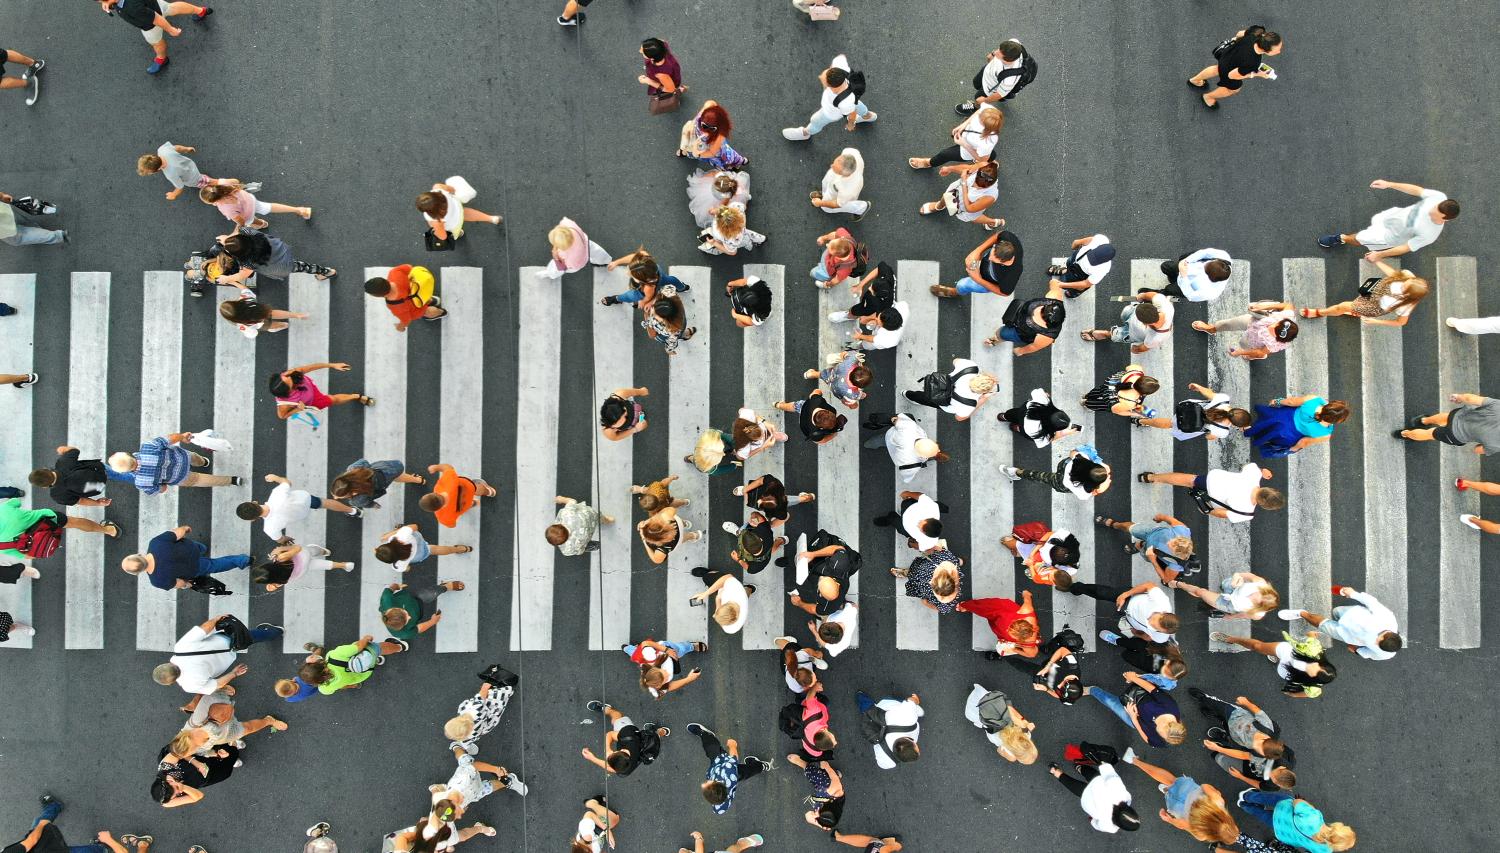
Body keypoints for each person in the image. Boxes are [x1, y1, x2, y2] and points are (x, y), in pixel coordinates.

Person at [1188, 688, 1297, 793]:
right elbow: (1245, 753)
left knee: (1226, 741)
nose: (1270, 778)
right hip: (1238, 719)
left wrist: (1240, 776)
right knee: (1219, 708)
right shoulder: (1266, 751)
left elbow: (1244, 754)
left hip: (1240, 739)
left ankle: (1223, 730)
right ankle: (1205, 699)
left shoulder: (1260, 757)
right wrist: (1246, 703)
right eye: (1273, 778)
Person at [1319, 179, 1458, 260]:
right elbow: (1417, 190)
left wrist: (1380, 254)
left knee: (1359, 239)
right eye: (1434, 207)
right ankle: (1348, 238)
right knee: (1374, 222)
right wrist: (1389, 184)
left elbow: (1406, 247)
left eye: (1435, 212)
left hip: (1388, 237)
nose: (1431, 210)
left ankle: (1341, 238)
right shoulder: (1439, 198)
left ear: (1445, 219)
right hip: (1392, 216)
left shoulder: (1430, 234)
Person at [1120, 752, 1239, 844]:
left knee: (1171, 780)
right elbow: (1181, 824)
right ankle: (1167, 791)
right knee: (1169, 794)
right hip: (1177, 808)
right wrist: (1168, 819)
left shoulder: (1218, 801)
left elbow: (1204, 786)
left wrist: (1216, 792)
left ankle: (1134, 760)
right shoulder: (1201, 834)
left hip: (1187, 790)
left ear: (1230, 821)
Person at [152, 615, 283, 696]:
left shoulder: (189, 686)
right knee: (251, 635)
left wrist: (234, 673)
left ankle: (273, 633)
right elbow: (203, 629)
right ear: (166, 664)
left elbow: (218, 684)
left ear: (171, 682)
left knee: (249, 639)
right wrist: (216, 619)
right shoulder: (180, 649)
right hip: (224, 639)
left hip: (230, 655)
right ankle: (276, 631)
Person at [1281, 585, 1402, 660]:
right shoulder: (1386, 617)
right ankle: (1329, 618)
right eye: (1380, 638)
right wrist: (1353, 593)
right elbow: (1371, 602)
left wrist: (1356, 650)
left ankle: (1302, 613)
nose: (1376, 641)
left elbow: (1368, 653)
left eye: (1378, 644)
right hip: (1352, 614)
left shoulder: (1386, 654)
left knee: (1321, 624)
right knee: (1336, 611)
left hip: (1344, 634)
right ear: (1389, 632)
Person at [96, 0, 213, 75]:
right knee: (171, 7)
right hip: (155, 4)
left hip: (150, 25)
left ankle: (162, 58)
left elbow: (156, 18)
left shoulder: (132, 8)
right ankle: (201, 11)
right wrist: (107, 2)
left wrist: (171, 30)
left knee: (156, 43)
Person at [1211, 631, 1338, 699]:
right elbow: (1311, 635)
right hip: (1288, 652)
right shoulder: (1315, 651)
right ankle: (1232, 639)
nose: (1314, 666)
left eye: (1314, 671)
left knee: (1275, 658)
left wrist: (1293, 694)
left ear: (1313, 679)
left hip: (1285, 670)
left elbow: (1308, 694)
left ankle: (1276, 657)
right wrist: (1312, 634)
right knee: (1257, 646)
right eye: (1319, 665)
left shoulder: (1314, 687)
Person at [1140, 463, 1284, 524]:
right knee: (1191, 485)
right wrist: (1207, 511)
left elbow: (1248, 466)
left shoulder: (1254, 476)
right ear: (1265, 505)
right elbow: (1221, 513)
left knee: (1189, 480)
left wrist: (1262, 471)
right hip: (1212, 495)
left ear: (1270, 489)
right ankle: (1151, 478)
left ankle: (1150, 477)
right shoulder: (1246, 513)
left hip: (1214, 479)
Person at [1300, 259, 1428, 325]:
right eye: (1407, 281)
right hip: (1373, 291)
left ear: (1409, 294)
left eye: (1405, 286)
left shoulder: (1406, 305)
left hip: (1373, 307)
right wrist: (1377, 261)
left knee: (1342, 306)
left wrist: (1376, 322)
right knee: (1353, 305)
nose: (1404, 283)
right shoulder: (1408, 276)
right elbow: (1394, 275)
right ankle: (1354, 311)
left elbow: (1401, 322)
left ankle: (1319, 312)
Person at [121, 526, 248, 592]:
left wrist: (188, 584)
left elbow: (180, 583)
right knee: (200, 548)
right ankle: (203, 549)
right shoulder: (155, 543)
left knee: (215, 565)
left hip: (194, 568)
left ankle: (242, 560)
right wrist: (185, 528)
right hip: (191, 548)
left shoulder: (157, 581)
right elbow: (179, 533)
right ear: (138, 555)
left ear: (138, 573)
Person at [4, 793, 142, 853]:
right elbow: (32, 840)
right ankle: (54, 806)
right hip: (45, 844)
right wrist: (41, 824)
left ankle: (101, 848)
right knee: (39, 823)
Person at [783, 53, 876, 140]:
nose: (820, 77)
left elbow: (852, 114)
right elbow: (841, 56)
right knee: (857, 104)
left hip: (832, 112)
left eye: (824, 81)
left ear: (833, 88)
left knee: (816, 121)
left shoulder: (844, 103)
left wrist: (851, 124)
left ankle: (805, 133)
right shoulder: (839, 68)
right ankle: (867, 116)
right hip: (851, 99)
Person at [238, 473, 357, 540]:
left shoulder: (269, 529)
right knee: (326, 503)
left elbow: (281, 539)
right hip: (305, 499)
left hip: (300, 514)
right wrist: (275, 478)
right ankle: (352, 510)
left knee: (323, 504)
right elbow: (287, 483)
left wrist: (287, 540)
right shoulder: (276, 494)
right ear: (254, 502)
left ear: (253, 519)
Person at [1188, 25, 1282, 109]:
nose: (1279, 52)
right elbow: (1233, 76)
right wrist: (1258, 74)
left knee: (1217, 68)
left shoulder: (1258, 31)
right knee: (1233, 89)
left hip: (1228, 54)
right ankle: (1208, 97)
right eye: (1277, 50)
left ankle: (1195, 80)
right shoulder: (1253, 62)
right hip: (1229, 69)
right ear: (1267, 51)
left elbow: (1239, 34)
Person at [686, 723, 772, 814]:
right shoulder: (728, 770)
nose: (704, 783)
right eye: (707, 784)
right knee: (714, 748)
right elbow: (733, 757)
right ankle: (761, 765)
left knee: (746, 772)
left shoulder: (719, 808)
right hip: (722, 765)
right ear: (718, 782)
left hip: (725, 774)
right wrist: (732, 745)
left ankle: (762, 766)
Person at [1088, 670, 1186, 747]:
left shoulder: (1162, 741)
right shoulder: (1170, 707)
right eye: (1160, 732)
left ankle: (1091, 690)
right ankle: (1091, 690)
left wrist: (1133, 718)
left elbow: (1147, 739)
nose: (1158, 732)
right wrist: (1133, 678)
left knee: (1111, 702)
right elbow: (1152, 690)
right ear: (1168, 724)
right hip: (1140, 698)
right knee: (1111, 702)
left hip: (1134, 719)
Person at [1048, 753, 1140, 834]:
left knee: (1089, 772)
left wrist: (1104, 764)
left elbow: (1112, 778)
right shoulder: (1110, 827)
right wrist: (1092, 820)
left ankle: (1079, 766)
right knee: (1071, 784)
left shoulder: (1124, 797)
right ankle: (1054, 771)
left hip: (1097, 783)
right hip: (1087, 799)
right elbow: (1096, 824)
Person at [1131, 382, 1252, 443]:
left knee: (1170, 421)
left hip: (1190, 408)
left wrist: (1198, 387)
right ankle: (1141, 421)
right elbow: (1208, 437)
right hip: (1190, 424)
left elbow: (1209, 393)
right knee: (1170, 424)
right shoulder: (1223, 431)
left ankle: (1141, 418)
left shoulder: (1223, 399)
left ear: (1239, 408)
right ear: (1235, 424)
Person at [1234, 793, 1356, 853]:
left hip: (1283, 808)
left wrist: (1305, 802)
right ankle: (1244, 805)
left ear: (1337, 827)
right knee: (1261, 815)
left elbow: (1297, 803)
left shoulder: (1314, 818)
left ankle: (1246, 796)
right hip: (1282, 831)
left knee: (1267, 798)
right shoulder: (1325, 851)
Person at [1096, 514, 1198, 584]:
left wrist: (1153, 560)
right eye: (1172, 540)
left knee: (1142, 549)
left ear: (1176, 554)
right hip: (1151, 532)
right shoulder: (1182, 531)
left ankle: (1138, 545)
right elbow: (1171, 520)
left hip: (1153, 552)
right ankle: (1115, 524)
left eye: (1170, 546)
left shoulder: (1177, 565)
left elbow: (1166, 579)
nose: (1168, 541)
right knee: (1130, 528)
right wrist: (1161, 517)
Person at [430, 747, 528, 818]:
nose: (459, 817)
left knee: (464, 760)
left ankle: (457, 746)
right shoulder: (452, 804)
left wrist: (496, 770)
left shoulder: (462, 781)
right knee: (488, 788)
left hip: (469, 775)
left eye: (457, 815)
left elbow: (474, 766)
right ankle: (508, 781)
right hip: (474, 793)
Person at [581, 699, 668, 777]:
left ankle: (663, 731)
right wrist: (607, 749)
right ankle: (606, 709)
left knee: (656, 735)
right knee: (616, 717)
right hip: (632, 735)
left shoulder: (626, 769)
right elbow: (610, 735)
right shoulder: (627, 737)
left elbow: (612, 769)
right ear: (622, 750)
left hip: (646, 747)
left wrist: (592, 758)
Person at [445, 665, 520, 754]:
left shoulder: (469, 736)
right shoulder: (467, 709)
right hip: (490, 705)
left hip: (488, 723)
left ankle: (507, 694)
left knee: (499, 708)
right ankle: (508, 691)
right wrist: (486, 685)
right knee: (499, 696)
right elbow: (481, 695)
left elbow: (466, 742)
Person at [214, 227, 336, 282]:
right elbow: (239, 233)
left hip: (280, 265)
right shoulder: (247, 232)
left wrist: (226, 279)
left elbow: (242, 275)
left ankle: (327, 272)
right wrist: (228, 240)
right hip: (278, 249)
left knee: (301, 267)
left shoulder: (246, 262)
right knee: (300, 265)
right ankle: (325, 272)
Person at [786, 530, 861, 617]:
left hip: (827, 567)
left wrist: (799, 603)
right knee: (811, 552)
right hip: (831, 560)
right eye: (823, 578)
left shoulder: (828, 608)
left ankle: (795, 562)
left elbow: (814, 609)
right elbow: (837, 549)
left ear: (821, 594)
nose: (821, 577)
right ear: (834, 581)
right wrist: (813, 554)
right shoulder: (839, 564)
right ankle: (796, 560)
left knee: (809, 568)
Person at [1394, 391, 1500, 452]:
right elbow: (1477, 450)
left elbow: (1470, 398)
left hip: (1458, 416)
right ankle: (1404, 433)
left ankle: (1424, 420)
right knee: (1429, 434)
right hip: (1455, 436)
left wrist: (1460, 397)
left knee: (1446, 417)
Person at [1246, 396, 1350, 458]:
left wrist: (1277, 401)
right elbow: (1304, 442)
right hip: (1287, 435)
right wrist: (1293, 449)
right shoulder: (1325, 434)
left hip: (1283, 415)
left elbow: (1291, 402)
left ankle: (1254, 427)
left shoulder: (1315, 400)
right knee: (1273, 435)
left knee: (1269, 421)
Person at [301, 634, 407, 695]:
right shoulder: (333, 656)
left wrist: (353, 685)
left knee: (369, 661)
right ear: (317, 664)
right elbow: (357, 647)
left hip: (363, 673)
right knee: (378, 648)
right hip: (360, 656)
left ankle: (375, 661)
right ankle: (400, 647)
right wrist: (366, 639)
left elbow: (341, 687)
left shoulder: (323, 689)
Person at [137, 142, 245, 201]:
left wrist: (173, 195)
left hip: (194, 178)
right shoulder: (162, 150)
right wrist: (187, 149)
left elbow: (180, 187)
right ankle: (227, 185)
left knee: (211, 182)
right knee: (206, 180)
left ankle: (232, 184)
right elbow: (177, 148)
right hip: (190, 165)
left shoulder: (170, 174)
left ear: (157, 170)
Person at [1000, 444, 1112, 500]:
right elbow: (1093, 492)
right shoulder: (1084, 492)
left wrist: (1099, 465)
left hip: (1064, 466)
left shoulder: (1082, 459)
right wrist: (1101, 488)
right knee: (1039, 477)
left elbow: (1073, 453)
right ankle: (1015, 473)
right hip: (1060, 482)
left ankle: (1016, 472)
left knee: (1039, 475)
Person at [933, 228, 1022, 297]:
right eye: (992, 252)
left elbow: (1004, 293)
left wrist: (978, 279)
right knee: (972, 264)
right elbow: (999, 235)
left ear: (1004, 261)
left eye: (995, 259)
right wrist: (978, 251)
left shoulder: (1011, 275)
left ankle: (954, 292)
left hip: (986, 281)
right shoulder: (1008, 239)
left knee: (962, 284)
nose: (989, 258)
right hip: (982, 270)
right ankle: (976, 271)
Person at [1193, 303, 1299, 361]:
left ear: (1278, 338)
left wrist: (1240, 352)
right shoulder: (1287, 317)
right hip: (1252, 322)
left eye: (1274, 330)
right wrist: (1263, 307)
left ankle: (1254, 357)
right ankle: (1210, 329)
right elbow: (1288, 305)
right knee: (1228, 323)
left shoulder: (1275, 344)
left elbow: (1260, 351)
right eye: (1276, 323)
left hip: (1253, 341)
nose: (1272, 325)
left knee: (1247, 347)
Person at [962, 684, 1038, 764]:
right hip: (982, 712)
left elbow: (1013, 712)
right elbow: (999, 750)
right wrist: (1011, 757)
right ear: (1017, 756)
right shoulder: (1005, 748)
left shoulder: (1027, 733)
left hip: (992, 701)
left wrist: (1025, 722)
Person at [984, 281, 1066, 354]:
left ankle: (995, 340)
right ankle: (995, 339)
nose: (1036, 312)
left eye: (1041, 316)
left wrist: (1021, 351)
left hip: (1019, 333)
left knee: (1001, 333)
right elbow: (1054, 282)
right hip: (1019, 313)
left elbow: (1033, 347)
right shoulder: (1055, 297)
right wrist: (1056, 283)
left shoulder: (1046, 337)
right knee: (1002, 332)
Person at [863, 413, 948, 484]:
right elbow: (907, 477)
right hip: (897, 453)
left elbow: (897, 418)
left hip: (888, 438)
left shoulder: (910, 428)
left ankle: (867, 445)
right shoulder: (912, 466)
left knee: (873, 443)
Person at [908, 105, 1003, 169]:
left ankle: (928, 163)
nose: (978, 117)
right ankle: (991, 161)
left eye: (980, 119)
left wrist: (963, 144)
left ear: (986, 127)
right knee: (990, 154)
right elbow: (978, 112)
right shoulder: (991, 113)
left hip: (967, 149)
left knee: (944, 155)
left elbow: (982, 159)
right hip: (965, 137)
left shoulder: (986, 143)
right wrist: (963, 126)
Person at [956, 38, 1034, 114]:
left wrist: (985, 100)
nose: (996, 52)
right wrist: (992, 54)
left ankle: (975, 107)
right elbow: (999, 51)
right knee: (976, 83)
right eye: (999, 49)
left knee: (978, 98)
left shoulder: (1009, 80)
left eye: (999, 54)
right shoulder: (1014, 43)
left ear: (1008, 61)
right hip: (988, 72)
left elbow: (999, 94)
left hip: (990, 87)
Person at [903, 358, 996, 421]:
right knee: (927, 400)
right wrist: (982, 400)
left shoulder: (970, 367)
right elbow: (959, 418)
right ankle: (909, 395)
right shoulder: (969, 404)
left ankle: (907, 394)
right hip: (942, 402)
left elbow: (955, 361)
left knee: (922, 395)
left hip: (940, 382)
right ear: (982, 392)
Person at [269, 363, 371, 419]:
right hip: (313, 401)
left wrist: (332, 365)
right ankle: (356, 396)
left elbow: (309, 368)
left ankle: (356, 397)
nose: (290, 376)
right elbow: (282, 416)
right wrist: (298, 409)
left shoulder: (287, 375)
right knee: (333, 399)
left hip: (309, 387)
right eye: (289, 381)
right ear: (288, 392)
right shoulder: (284, 405)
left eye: (286, 376)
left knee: (332, 399)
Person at [1082, 291, 1174, 354]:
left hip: (1133, 334)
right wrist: (1142, 296)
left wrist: (1136, 349)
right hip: (1133, 320)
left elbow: (1144, 347)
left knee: (1118, 335)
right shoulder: (1166, 307)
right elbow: (1153, 295)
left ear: (1145, 324)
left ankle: (1107, 334)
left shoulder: (1156, 338)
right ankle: (1121, 325)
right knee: (1126, 312)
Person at [416, 177, 502, 244]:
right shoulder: (438, 188)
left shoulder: (436, 220)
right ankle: (492, 219)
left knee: (455, 234)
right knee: (469, 213)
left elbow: (443, 236)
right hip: (458, 209)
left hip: (455, 224)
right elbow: (452, 189)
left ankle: (459, 233)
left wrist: (434, 231)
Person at [919, 160, 1002, 228]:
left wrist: (964, 184)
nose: (975, 186)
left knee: (973, 218)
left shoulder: (990, 196)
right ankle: (938, 206)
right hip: (960, 190)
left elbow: (970, 208)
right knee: (947, 196)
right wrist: (950, 168)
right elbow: (967, 168)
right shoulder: (982, 165)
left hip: (968, 204)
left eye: (981, 187)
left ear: (991, 185)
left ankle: (992, 222)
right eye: (976, 182)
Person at [365, 265, 446, 330]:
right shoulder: (394, 273)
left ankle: (441, 312)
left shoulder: (395, 306)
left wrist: (400, 327)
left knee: (427, 311)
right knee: (424, 299)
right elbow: (409, 267)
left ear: (379, 295)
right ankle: (432, 300)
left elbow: (406, 319)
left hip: (417, 308)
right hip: (419, 291)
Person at [381, 580, 465, 641]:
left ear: (396, 608)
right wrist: (432, 621)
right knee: (430, 594)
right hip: (419, 612)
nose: (410, 617)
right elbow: (419, 628)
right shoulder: (403, 633)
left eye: (406, 613)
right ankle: (442, 587)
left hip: (411, 595)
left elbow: (391, 588)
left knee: (431, 593)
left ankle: (446, 586)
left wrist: (397, 586)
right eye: (407, 621)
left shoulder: (386, 599)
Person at [856, 691, 922, 769]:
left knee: (869, 706)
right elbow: (879, 762)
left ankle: (860, 697)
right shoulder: (889, 762)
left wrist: (916, 700)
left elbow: (912, 700)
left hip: (883, 709)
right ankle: (861, 699)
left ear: (910, 741)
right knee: (867, 709)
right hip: (875, 731)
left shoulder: (908, 718)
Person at [960, 594, 1039, 658]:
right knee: (987, 607)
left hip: (1005, 612)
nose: (1008, 630)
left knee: (986, 606)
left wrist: (1026, 594)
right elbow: (1032, 654)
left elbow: (1027, 600)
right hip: (1004, 614)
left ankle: (968, 606)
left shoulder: (1028, 614)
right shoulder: (1027, 644)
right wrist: (1013, 647)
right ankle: (968, 606)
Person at [199, 183, 310, 229]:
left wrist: (238, 229)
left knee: (250, 221)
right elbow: (236, 183)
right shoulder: (224, 186)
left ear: (214, 201)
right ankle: (298, 209)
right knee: (269, 207)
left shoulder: (225, 208)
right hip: (250, 199)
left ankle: (262, 224)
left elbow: (240, 221)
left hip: (247, 214)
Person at [251, 543, 354, 592]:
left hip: (301, 571)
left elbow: (271, 587)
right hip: (303, 556)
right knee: (312, 550)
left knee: (320, 565)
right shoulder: (280, 559)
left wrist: (271, 585)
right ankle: (324, 552)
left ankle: (344, 565)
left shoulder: (279, 580)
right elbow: (297, 548)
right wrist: (281, 549)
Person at [329, 458, 424, 510]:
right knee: (396, 474)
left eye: (338, 496)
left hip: (383, 483)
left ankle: (417, 480)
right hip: (384, 469)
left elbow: (368, 503)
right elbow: (365, 462)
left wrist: (374, 506)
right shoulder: (353, 468)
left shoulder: (356, 500)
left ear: (351, 492)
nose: (335, 498)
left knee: (395, 477)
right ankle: (418, 480)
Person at [1002, 524, 1079, 587]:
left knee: (1007, 541)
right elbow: (1049, 534)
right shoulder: (1047, 554)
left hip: (1036, 558)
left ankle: (1013, 547)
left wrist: (1031, 563)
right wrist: (1034, 552)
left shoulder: (1067, 571)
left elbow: (1036, 578)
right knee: (1016, 544)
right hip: (1037, 553)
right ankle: (1016, 550)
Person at [375, 522, 472, 572]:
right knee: (388, 535)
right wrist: (389, 535)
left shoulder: (397, 565)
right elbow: (415, 526)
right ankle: (461, 548)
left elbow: (407, 568)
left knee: (434, 550)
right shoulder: (399, 537)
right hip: (416, 539)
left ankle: (460, 549)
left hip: (419, 554)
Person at [421, 463, 496, 527]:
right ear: (434, 493)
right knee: (476, 488)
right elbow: (448, 468)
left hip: (464, 505)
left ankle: (473, 503)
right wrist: (436, 467)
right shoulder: (445, 485)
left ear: (436, 509)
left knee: (466, 503)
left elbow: (452, 525)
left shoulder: (442, 517)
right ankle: (489, 492)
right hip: (469, 488)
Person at [679, 101, 748, 170]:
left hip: (707, 148)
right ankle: (685, 152)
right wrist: (693, 123)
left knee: (725, 157)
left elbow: (712, 152)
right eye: (704, 126)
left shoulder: (719, 135)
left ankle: (740, 161)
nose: (705, 132)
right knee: (691, 147)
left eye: (712, 129)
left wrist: (698, 154)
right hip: (700, 144)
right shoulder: (704, 116)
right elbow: (711, 102)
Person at [892, 548, 963, 614]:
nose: (930, 581)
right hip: (922, 570)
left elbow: (940, 608)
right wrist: (926, 603)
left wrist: (927, 603)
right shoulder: (944, 559)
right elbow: (942, 608)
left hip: (922, 572)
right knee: (915, 573)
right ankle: (908, 573)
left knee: (914, 574)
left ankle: (907, 573)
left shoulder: (945, 558)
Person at [217, 288, 307, 338]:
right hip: (261, 311)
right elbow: (246, 290)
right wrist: (233, 282)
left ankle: (282, 325)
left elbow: (251, 334)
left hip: (260, 324)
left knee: (272, 326)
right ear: (235, 303)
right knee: (274, 313)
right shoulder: (245, 299)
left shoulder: (240, 324)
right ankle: (296, 315)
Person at [1000, 388, 1077, 447]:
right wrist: (1063, 434)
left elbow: (1036, 391)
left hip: (1023, 413)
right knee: (1022, 430)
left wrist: (1046, 395)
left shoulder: (1044, 402)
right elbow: (1043, 443)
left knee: (1013, 413)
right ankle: (1016, 428)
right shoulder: (1042, 434)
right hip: (1025, 430)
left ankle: (1004, 417)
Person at [541, 217, 613, 280]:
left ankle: (550, 274)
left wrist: (556, 258)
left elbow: (563, 267)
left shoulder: (563, 255)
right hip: (584, 242)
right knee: (596, 251)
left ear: (563, 247)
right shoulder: (569, 225)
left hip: (578, 261)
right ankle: (605, 260)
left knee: (556, 268)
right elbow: (565, 222)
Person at [688, 567, 754, 635]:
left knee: (746, 596)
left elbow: (720, 613)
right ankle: (709, 573)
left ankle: (750, 588)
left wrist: (718, 599)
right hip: (734, 589)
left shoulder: (729, 629)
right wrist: (705, 594)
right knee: (708, 578)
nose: (714, 615)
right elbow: (727, 577)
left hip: (739, 597)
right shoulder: (736, 591)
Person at [872, 490, 944, 552]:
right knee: (906, 502)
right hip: (909, 507)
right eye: (922, 522)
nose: (918, 524)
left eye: (920, 528)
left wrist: (911, 544)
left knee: (894, 521)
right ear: (930, 519)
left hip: (905, 527)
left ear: (925, 533)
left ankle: (889, 519)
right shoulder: (932, 507)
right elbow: (920, 496)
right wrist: (908, 494)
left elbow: (918, 546)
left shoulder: (930, 542)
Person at [1151, 248, 1232, 301]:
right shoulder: (1223, 257)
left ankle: (1161, 294)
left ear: (1210, 277)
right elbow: (1204, 253)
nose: (1203, 265)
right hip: (1185, 265)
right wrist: (1187, 261)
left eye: (1205, 269)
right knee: (1165, 266)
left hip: (1185, 282)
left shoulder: (1208, 291)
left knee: (1169, 290)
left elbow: (1190, 294)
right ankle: (1172, 278)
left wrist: (1184, 276)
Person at [1048, 234, 1115, 298]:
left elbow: (1086, 284)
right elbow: (1077, 242)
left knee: (1076, 285)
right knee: (1068, 268)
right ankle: (1065, 274)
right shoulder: (1100, 239)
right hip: (1074, 262)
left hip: (1079, 272)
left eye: (1094, 260)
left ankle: (1074, 292)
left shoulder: (1103, 269)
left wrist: (1062, 284)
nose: (1088, 259)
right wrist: (1061, 284)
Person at [811, 148, 868, 219]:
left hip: (841, 198)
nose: (831, 166)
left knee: (828, 208)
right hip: (833, 187)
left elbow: (837, 204)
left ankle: (862, 208)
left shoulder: (848, 190)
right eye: (835, 162)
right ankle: (823, 194)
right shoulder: (849, 152)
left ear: (844, 174)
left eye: (835, 169)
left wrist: (820, 203)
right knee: (826, 185)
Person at [775, 388, 845, 445]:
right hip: (803, 422)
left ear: (826, 411)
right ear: (820, 428)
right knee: (795, 407)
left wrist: (818, 393)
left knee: (794, 406)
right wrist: (833, 434)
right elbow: (819, 441)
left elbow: (816, 392)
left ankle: (779, 405)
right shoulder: (814, 432)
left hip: (804, 407)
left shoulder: (818, 401)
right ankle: (779, 405)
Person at [806, 349, 871, 410]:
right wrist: (854, 404)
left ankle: (810, 374)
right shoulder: (853, 394)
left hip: (832, 374)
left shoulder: (851, 361)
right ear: (859, 386)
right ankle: (860, 395)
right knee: (854, 398)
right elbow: (851, 404)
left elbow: (844, 354)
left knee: (822, 374)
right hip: (835, 389)